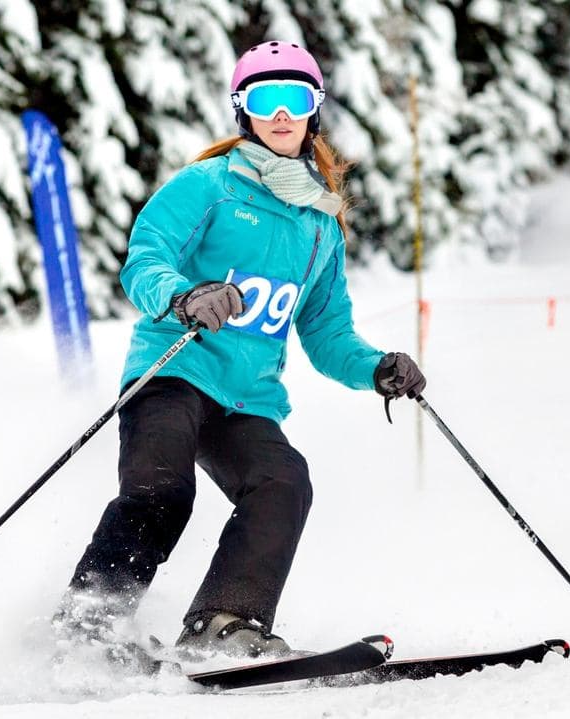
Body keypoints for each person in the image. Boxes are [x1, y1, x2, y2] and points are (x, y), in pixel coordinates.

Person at [55, 40, 426, 660]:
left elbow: (327, 332)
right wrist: (183, 296)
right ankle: (87, 626)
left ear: (313, 111)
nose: (280, 114)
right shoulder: (208, 185)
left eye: (294, 99)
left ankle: (223, 622)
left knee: (284, 482)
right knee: (162, 491)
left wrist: (377, 369)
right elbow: (144, 260)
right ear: (242, 110)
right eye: (264, 98)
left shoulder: (320, 224)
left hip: (247, 398)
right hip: (173, 372)